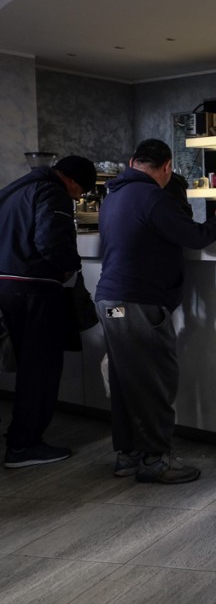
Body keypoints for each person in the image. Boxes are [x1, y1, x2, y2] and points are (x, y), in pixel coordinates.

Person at [95, 139, 216, 484]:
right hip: (139, 303)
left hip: (111, 303)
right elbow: (195, 236)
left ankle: (128, 455)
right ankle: (156, 460)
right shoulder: (153, 198)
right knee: (153, 380)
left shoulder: (113, 196)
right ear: (167, 167)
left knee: (126, 380)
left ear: (132, 161)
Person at [0, 155, 97, 468]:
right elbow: (50, 240)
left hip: (8, 285)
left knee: (25, 365)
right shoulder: (51, 192)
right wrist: (70, 265)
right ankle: (24, 445)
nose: (79, 197)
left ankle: (19, 437)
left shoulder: (16, 189)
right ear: (69, 178)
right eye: (81, 189)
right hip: (35, 288)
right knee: (40, 369)